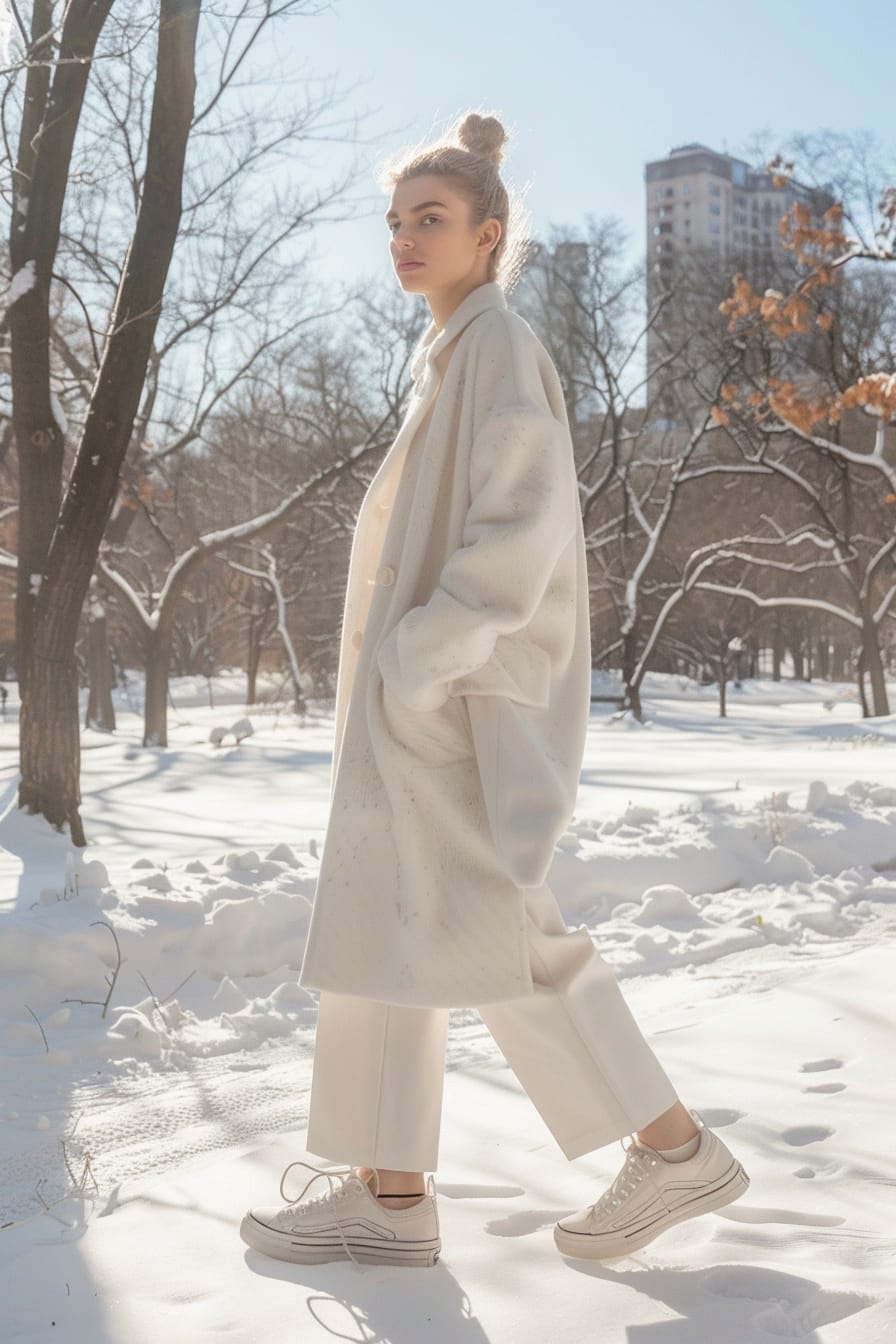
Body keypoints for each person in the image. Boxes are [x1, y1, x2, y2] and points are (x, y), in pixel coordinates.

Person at [240, 111, 749, 1269]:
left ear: (488, 233)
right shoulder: (454, 357)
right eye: (395, 222)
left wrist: (421, 662)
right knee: (388, 922)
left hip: (454, 707)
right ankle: (389, 1192)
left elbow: (513, 539)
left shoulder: (501, 347)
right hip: (419, 710)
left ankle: (670, 1149)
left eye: (431, 220)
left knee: (498, 937)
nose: (406, 240)